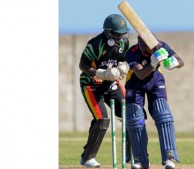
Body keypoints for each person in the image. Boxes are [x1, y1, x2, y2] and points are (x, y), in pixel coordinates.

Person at [78, 14, 132, 168]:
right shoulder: (95, 44)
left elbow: (124, 59)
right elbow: (83, 65)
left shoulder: (124, 43)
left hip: (111, 83)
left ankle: (129, 154)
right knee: (102, 119)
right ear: (108, 32)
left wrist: (123, 66)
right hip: (91, 84)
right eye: (116, 34)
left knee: (130, 113)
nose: (119, 37)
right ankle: (87, 157)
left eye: (122, 34)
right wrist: (99, 73)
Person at [125, 35, 184, 169]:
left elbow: (181, 61)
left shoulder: (161, 46)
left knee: (163, 115)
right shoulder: (132, 52)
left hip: (155, 81)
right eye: (148, 48)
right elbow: (140, 74)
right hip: (135, 83)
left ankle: (169, 157)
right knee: (135, 119)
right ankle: (140, 160)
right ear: (142, 46)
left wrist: (175, 63)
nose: (151, 49)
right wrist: (152, 63)